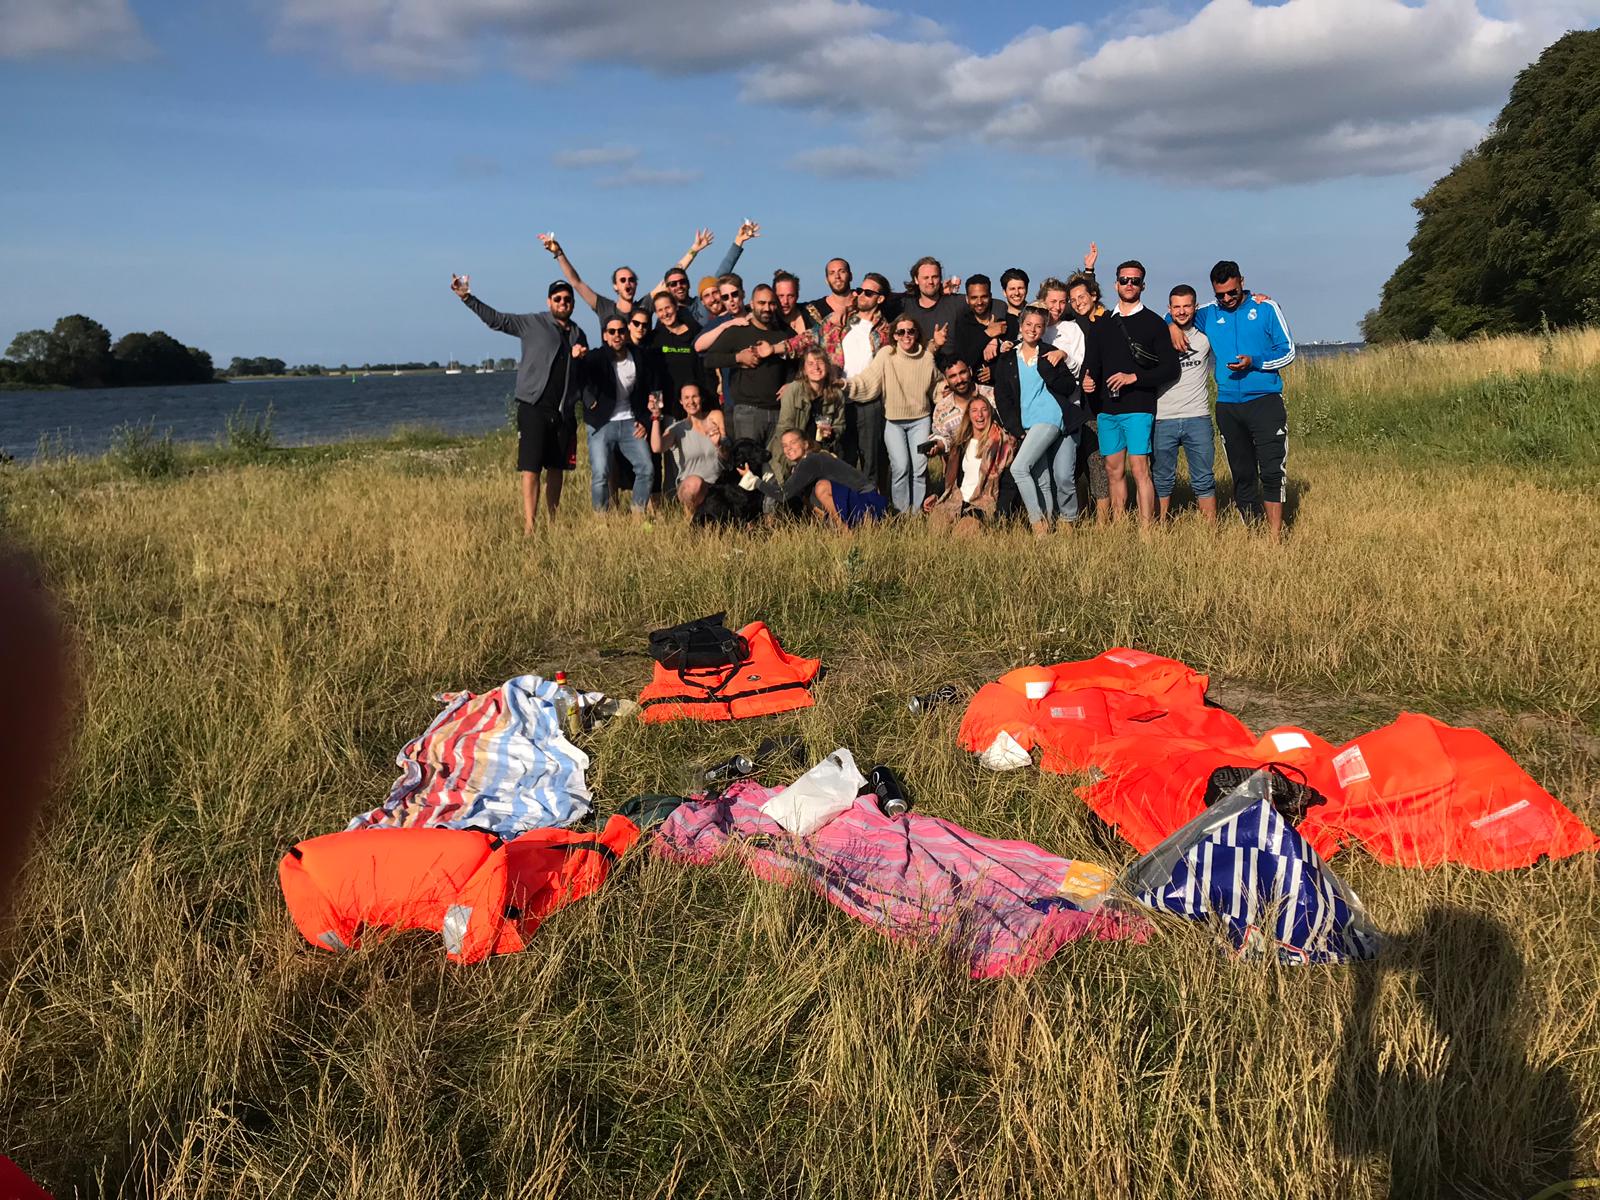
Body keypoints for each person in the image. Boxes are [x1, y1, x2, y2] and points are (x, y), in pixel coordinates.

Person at [453, 274, 587, 531]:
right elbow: (497, 320)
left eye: (567, 299)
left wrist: (582, 359)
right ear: (549, 301)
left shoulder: (578, 334)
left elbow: (584, 374)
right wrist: (467, 298)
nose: (563, 302)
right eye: (557, 298)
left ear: (572, 303)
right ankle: (530, 526)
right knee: (531, 468)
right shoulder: (532, 323)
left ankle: (553, 522)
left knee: (557, 468)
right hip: (533, 407)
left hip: (563, 412)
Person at [1179, 259, 1294, 540]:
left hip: (1265, 401)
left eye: (1232, 292)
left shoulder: (1266, 307)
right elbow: (1177, 313)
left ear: (1242, 282)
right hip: (1228, 405)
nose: (1227, 299)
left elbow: (1288, 351)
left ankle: (1275, 537)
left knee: (1271, 470)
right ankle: (1253, 531)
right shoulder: (1209, 312)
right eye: (1220, 295)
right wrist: (1171, 326)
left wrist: (1255, 362)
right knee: (1242, 472)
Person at [1081, 260, 1179, 528]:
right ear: (1116, 284)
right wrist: (1087, 382)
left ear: (1143, 286)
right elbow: (1091, 366)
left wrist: (1134, 377)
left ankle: (1146, 531)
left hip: (1138, 407)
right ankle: (1120, 527)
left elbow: (1171, 368)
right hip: (1107, 410)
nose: (1129, 284)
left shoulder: (1154, 323)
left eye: (1135, 281)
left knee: (1140, 469)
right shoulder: (1102, 324)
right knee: (1113, 471)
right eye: (1124, 280)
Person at [993, 307, 1085, 535]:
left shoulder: (1049, 353)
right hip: (1027, 423)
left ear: (1044, 330)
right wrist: (1015, 428)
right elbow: (1002, 397)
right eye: (1028, 324)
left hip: (1050, 416)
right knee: (1041, 477)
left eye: (1038, 326)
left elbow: (1069, 386)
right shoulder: (1008, 357)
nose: (1032, 330)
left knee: (1019, 468)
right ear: (1021, 326)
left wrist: (1054, 367)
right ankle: (1048, 527)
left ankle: (1037, 523)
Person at [843, 315, 948, 513]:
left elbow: (936, 384)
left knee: (919, 468)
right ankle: (902, 512)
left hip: (920, 420)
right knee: (900, 467)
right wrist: (845, 384)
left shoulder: (926, 358)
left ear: (917, 334)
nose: (906, 335)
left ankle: (916, 513)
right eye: (901, 332)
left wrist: (946, 389)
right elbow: (868, 380)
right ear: (895, 335)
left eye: (911, 331)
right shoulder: (886, 355)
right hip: (893, 421)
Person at [577, 314, 657, 515]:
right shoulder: (596, 357)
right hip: (601, 423)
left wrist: (645, 421)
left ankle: (637, 514)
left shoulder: (639, 357)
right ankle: (601, 519)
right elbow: (577, 378)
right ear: (605, 335)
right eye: (611, 331)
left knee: (646, 469)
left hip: (630, 422)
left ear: (626, 333)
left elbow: (650, 390)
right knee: (600, 473)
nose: (617, 335)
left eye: (621, 331)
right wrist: (588, 399)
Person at [700, 282, 796, 448]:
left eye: (771, 303)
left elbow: (797, 362)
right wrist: (738, 357)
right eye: (761, 303)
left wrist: (790, 382)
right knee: (748, 460)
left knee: (777, 462)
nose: (767, 308)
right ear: (752, 304)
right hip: (748, 412)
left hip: (779, 411)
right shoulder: (738, 331)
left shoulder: (783, 333)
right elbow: (709, 359)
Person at [1153, 285, 1217, 525]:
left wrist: (1253, 296)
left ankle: (1210, 530)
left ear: (1195, 307)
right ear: (1169, 309)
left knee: (1203, 478)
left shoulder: (1205, 337)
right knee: (1162, 479)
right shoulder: (1159, 336)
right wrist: (1169, 326)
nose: (1181, 311)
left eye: (1187, 306)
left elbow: (1226, 307)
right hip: (1163, 418)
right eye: (1176, 307)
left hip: (1197, 416)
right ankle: (1160, 526)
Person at [741, 428, 887, 529]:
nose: (788, 448)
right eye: (784, 445)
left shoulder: (811, 460)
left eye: (793, 443)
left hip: (869, 505)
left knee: (821, 487)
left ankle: (844, 531)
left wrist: (754, 481)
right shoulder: (803, 464)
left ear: (805, 444)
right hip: (859, 506)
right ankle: (835, 528)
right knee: (806, 494)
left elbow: (782, 494)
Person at [923, 394, 1016, 535]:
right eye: (974, 410)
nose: (980, 415)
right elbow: (951, 479)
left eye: (984, 410)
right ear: (968, 415)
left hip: (981, 505)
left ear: (990, 413)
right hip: (956, 500)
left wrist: (1001, 516)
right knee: (935, 527)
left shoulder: (1003, 445)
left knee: (963, 533)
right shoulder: (961, 443)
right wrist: (936, 495)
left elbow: (1008, 486)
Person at [1067, 270, 1113, 523]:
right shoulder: (1071, 323)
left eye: (1082, 297)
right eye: (1073, 300)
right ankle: (1078, 516)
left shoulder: (1108, 320)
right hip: (1076, 406)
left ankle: (1103, 523)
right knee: (1072, 466)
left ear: (1094, 295)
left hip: (1100, 406)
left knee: (1097, 463)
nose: (1077, 303)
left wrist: (1089, 272)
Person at [649, 382, 726, 520]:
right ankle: (690, 518)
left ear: (701, 398)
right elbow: (657, 447)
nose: (691, 401)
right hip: (691, 487)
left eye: (695, 396)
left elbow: (726, 456)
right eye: (686, 398)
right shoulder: (677, 429)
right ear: (681, 402)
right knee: (695, 483)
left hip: (717, 485)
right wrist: (656, 417)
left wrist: (719, 444)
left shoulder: (715, 417)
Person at [539, 234, 640, 328]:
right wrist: (558, 253)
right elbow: (576, 283)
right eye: (622, 280)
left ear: (636, 284)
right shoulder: (605, 307)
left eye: (631, 280)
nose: (627, 283)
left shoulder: (644, 307)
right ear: (615, 286)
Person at [774, 348, 845, 476]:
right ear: (804, 370)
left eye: (820, 362)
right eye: (810, 363)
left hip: (821, 453)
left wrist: (832, 433)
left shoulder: (837, 395)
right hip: (792, 455)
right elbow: (784, 428)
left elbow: (840, 425)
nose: (816, 367)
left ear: (827, 366)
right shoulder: (793, 390)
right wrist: (794, 463)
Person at [647, 291, 708, 418]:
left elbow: (704, 371)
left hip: (695, 408)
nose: (665, 313)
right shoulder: (654, 340)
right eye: (660, 310)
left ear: (676, 307)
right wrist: (657, 412)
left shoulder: (696, 333)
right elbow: (654, 377)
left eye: (667, 307)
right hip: (668, 411)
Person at [947, 274, 1015, 383]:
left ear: (990, 296)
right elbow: (963, 361)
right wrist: (987, 335)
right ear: (967, 299)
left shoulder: (1008, 322)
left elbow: (1016, 358)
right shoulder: (962, 325)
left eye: (984, 297)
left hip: (1004, 386)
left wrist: (994, 371)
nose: (979, 302)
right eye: (974, 298)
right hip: (973, 387)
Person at [928, 357, 993, 469]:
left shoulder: (991, 395)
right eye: (953, 376)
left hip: (992, 460)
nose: (959, 380)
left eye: (962, 373)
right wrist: (937, 446)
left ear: (970, 371)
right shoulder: (942, 409)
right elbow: (943, 439)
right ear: (946, 380)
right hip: (961, 467)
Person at [899, 255, 967, 343]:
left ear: (940, 278)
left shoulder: (956, 303)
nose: (930, 282)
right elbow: (885, 296)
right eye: (925, 278)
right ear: (916, 279)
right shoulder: (905, 305)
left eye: (935, 277)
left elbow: (980, 300)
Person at [801, 257, 854, 328]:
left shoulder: (863, 302)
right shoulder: (814, 309)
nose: (837, 276)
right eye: (832, 273)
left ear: (850, 276)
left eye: (842, 271)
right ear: (827, 280)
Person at [772, 269, 808, 337]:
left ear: (797, 296)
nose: (785, 301)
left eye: (790, 296)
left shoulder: (810, 312)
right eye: (781, 296)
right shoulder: (770, 323)